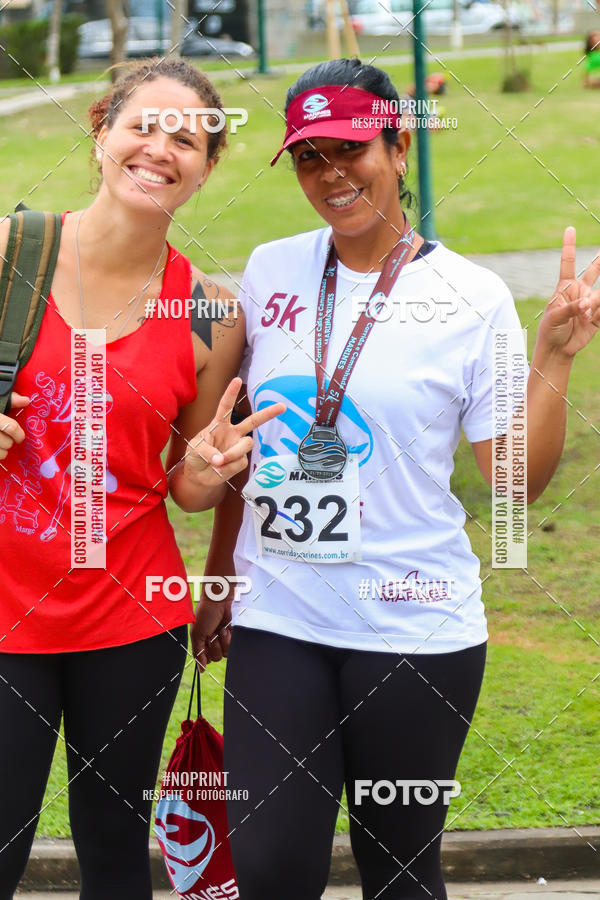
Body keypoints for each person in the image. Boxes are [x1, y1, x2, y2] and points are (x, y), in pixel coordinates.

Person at [189, 57, 600, 900]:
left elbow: (512, 482)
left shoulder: (471, 296)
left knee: (401, 870)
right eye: (309, 156)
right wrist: (221, 572)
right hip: (281, 615)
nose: (330, 174)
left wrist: (554, 355)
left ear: (399, 143)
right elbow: (225, 448)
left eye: (350, 148)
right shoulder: (271, 270)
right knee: (269, 869)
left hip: (414, 629)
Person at [0, 57, 282, 899]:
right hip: (8, 607)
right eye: (142, 126)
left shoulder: (208, 312)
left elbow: (193, 488)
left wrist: (203, 468)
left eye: (188, 140)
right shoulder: (15, 250)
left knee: (116, 851)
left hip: (132, 615)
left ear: (205, 168)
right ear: (101, 134)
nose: (161, 149)